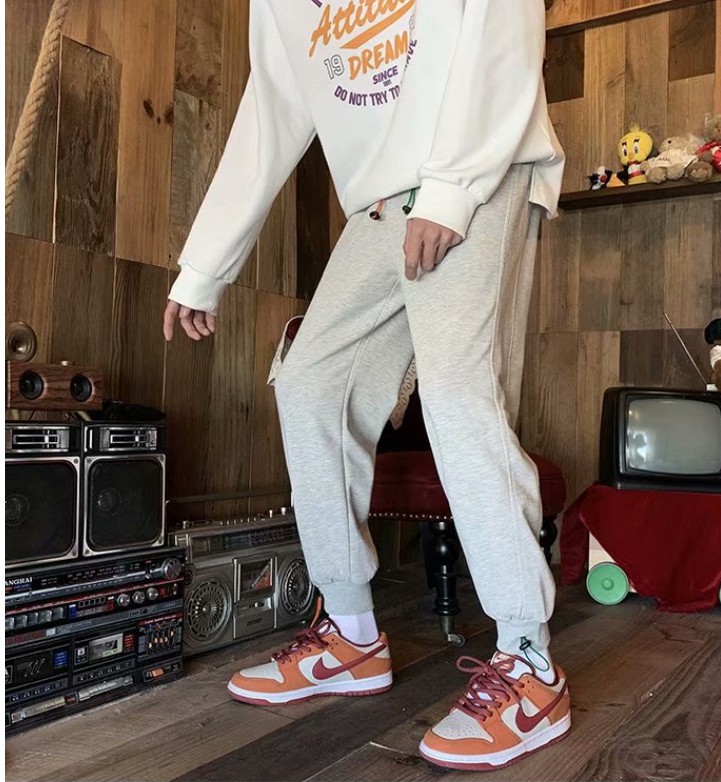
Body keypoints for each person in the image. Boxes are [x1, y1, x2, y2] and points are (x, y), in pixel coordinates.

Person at [163, 0, 567, 771]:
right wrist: (205, 267)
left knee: (456, 394)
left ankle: (529, 663)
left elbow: (501, 19)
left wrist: (451, 188)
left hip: (478, 160)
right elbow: (272, 109)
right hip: (378, 200)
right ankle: (350, 633)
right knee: (310, 382)